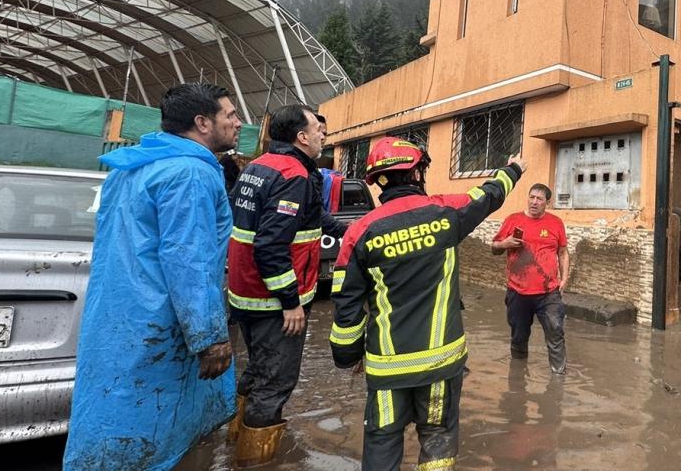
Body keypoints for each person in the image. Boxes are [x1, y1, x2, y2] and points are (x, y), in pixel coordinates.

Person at [63, 83, 241, 470]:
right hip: (163, 326)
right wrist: (209, 338)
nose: (237, 123)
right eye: (229, 115)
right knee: (158, 434)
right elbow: (188, 259)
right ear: (202, 123)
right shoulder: (191, 174)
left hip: (120, 320)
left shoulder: (133, 169)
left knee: (115, 415)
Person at [330, 137, 526, 470]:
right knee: (437, 439)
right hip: (441, 365)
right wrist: (514, 168)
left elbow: (346, 309)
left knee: (382, 442)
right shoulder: (446, 214)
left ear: (378, 181)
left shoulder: (359, 233)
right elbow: (489, 195)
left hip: (386, 370)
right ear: (417, 173)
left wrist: (349, 356)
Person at [227, 104, 347, 467]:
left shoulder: (260, 166)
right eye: (318, 130)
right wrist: (291, 301)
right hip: (273, 304)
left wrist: (353, 228)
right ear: (301, 136)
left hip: (245, 295)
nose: (323, 135)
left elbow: (311, 218)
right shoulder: (294, 174)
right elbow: (270, 245)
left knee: (256, 371)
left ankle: (233, 441)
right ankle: (256, 461)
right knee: (275, 383)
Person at [491, 183, 570, 374]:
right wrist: (505, 243)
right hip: (518, 291)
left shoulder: (556, 223)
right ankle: (518, 375)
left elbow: (563, 252)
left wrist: (564, 279)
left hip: (548, 292)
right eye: (532, 197)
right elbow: (494, 248)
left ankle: (558, 375)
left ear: (547, 203)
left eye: (539, 199)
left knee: (555, 331)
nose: (534, 202)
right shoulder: (513, 220)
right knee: (519, 336)